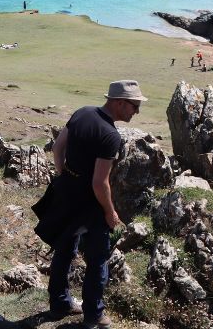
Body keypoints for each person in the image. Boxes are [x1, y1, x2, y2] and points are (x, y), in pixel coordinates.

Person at [39, 80, 144, 329]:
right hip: (90, 202)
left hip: (66, 193)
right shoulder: (110, 135)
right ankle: (94, 315)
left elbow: (57, 148)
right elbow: (100, 183)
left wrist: (66, 175)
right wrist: (110, 212)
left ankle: (60, 304)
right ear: (119, 103)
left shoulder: (82, 112)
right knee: (98, 258)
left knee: (64, 248)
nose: (136, 111)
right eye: (134, 106)